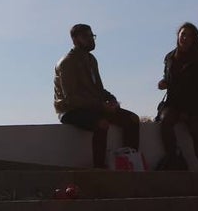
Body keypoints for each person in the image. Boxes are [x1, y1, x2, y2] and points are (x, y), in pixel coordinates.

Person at [54, 23, 140, 169]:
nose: (91, 39)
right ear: (75, 40)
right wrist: (101, 106)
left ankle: (128, 161)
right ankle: (99, 168)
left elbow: (98, 89)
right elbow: (71, 99)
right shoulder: (67, 63)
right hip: (70, 110)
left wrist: (111, 99)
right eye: (86, 36)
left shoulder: (91, 60)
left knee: (132, 119)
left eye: (92, 36)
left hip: (93, 106)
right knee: (102, 124)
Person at [156, 22, 198, 172]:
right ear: (178, 36)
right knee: (165, 121)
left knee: (195, 128)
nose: (185, 38)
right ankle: (174, 160)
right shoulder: (170, 57)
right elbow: (169, 78)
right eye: (183, 34)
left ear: (194, 39)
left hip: (195, 103)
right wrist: (164, 82)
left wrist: (186, 111)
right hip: (173, 102)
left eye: (189, 35)